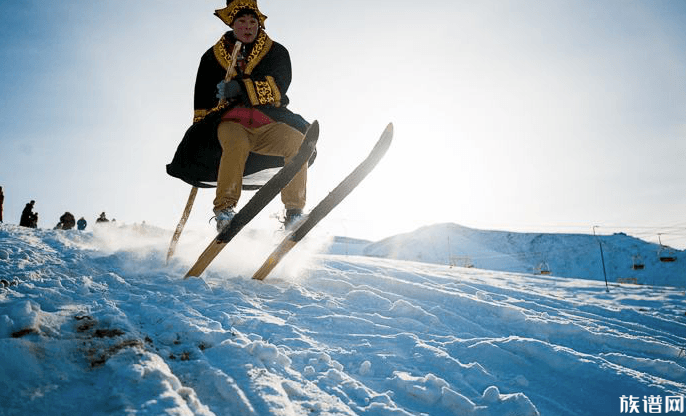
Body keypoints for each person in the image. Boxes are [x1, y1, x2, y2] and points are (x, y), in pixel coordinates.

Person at [167, 0, 312, 232]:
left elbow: (279, 85)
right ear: (232, 24)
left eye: (252, 22)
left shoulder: (276, 51)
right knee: (236, 145)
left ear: (259, 24)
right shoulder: (211, 57)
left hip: (268, 123)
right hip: (231, 122)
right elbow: (201, 98)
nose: (248, 27)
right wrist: (200, 134)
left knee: (298, 144)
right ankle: (225, 209)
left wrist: (241, 88)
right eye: (242, 21)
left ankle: (294, 212)